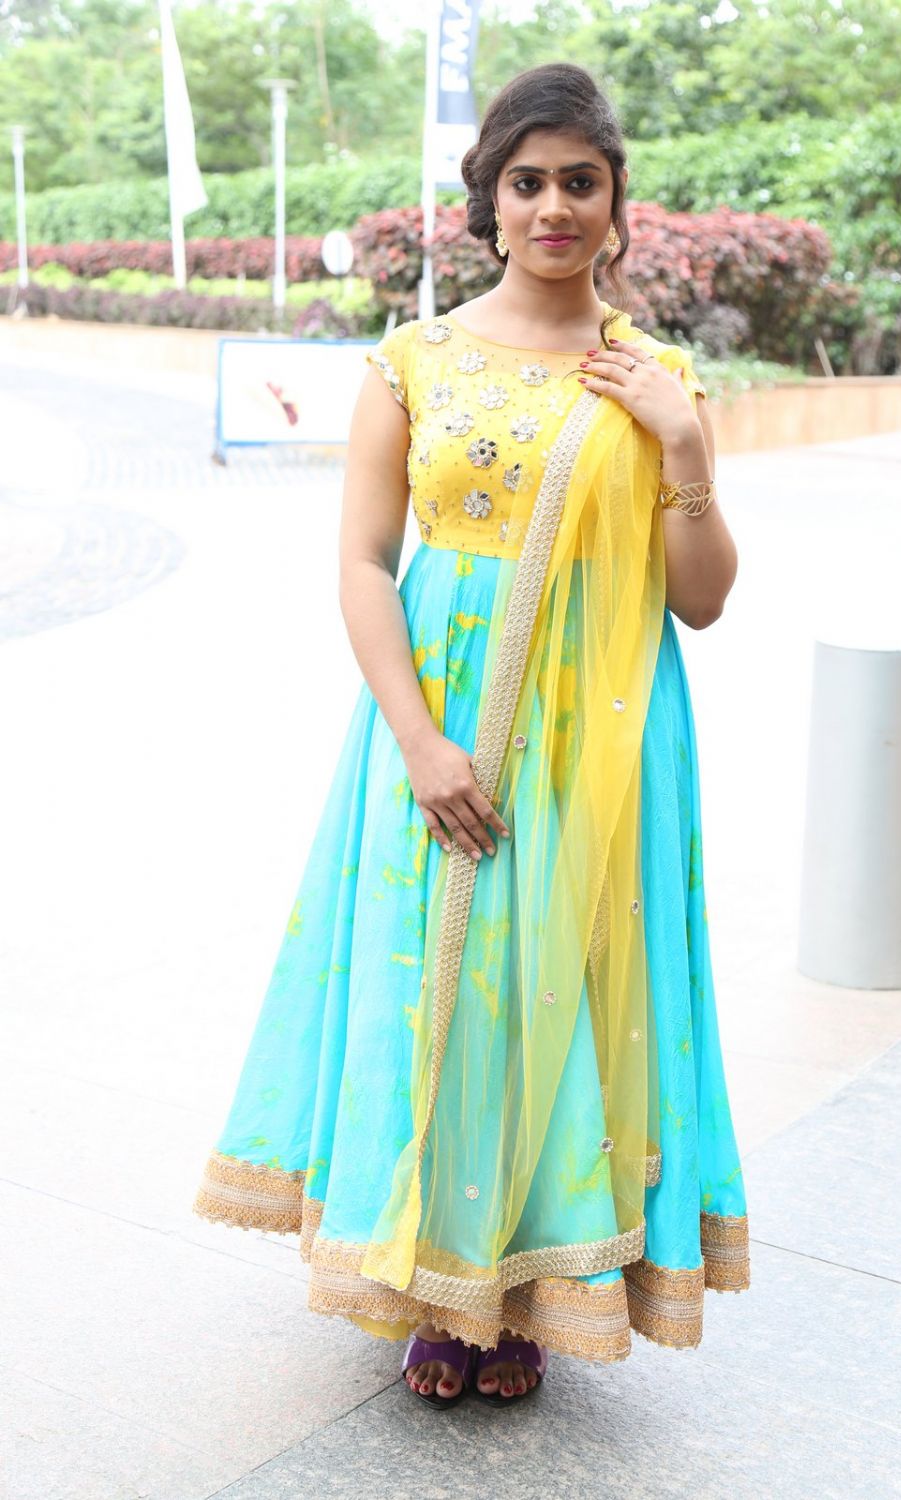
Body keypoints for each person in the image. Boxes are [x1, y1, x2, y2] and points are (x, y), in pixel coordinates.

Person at [193, 61, 750, 1411]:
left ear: (617, 203)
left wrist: (684, 450)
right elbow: (364, 563)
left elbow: (701, 599)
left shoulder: (655, 378)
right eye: (528, 181)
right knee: (436, 987)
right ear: (489, 202)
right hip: (435, 727)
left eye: (581, 182)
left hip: (600, 748)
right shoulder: (416, 360)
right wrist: (419, 744)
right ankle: (430, 1288)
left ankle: (526, 1294)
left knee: (558, 998)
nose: (555, 206)